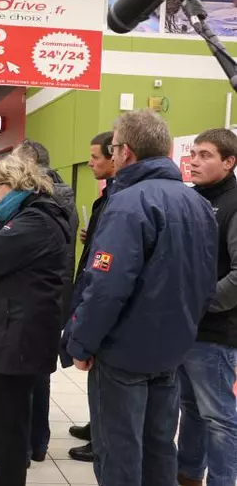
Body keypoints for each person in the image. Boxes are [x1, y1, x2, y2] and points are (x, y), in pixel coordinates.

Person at [65, 109, 218, 486]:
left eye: (113, 148)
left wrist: (80, 343)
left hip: (123, 353)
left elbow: (105, 287)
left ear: (127, 152)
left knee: (118, 449)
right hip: (172, 350)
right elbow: (204, 281)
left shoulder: (128, 203)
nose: (111, 155)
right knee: (160, 446)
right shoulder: (197, 203)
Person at [0, 155, 71, 486]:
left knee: (4, 422)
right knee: (4, 420)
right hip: (11, 333)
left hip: (15, 339)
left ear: (13, 185)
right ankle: (3, 477)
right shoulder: (26, 217)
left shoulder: (35, 222)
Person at [10, 139, 79, 464]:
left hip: (37, 296)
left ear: (32, 163)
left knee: (28, 374)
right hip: (54, 295)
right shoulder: (64, 195)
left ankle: (25, 446)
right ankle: (37, 442)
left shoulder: (42, 200)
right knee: (39, 373)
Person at [177, 128, 237, 486]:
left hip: (215, 331)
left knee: (219, 418)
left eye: (206, 155)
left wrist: (200, 305)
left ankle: (222, 480)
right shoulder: (192, 198)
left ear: (229, 162)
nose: (194, 161)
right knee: (192, 411)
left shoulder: (234, 203)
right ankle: (187, 474)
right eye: (194, 153)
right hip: (185, 328)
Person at [65, 131, 116, 464]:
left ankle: (102, 439)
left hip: (107, 296)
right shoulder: (107, 197)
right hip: (90, 285)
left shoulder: (121, 198)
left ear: (117, 156)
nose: (92, 162)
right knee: (98, 373)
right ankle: (96, 425)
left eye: (96, 157)